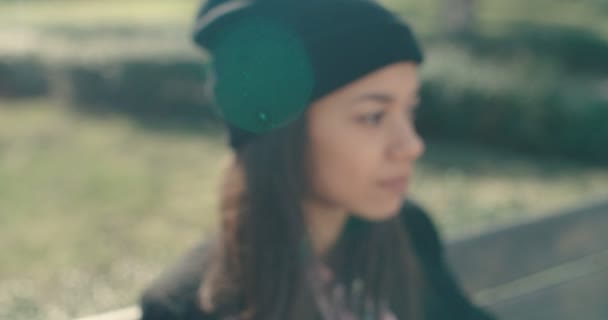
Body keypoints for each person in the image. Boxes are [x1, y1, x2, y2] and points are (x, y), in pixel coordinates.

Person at [140, 0, 497, 319]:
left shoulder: (408, 232)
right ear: (282, 131)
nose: (411, 145)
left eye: (410, 110)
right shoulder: (189, 307)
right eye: (373, 116)